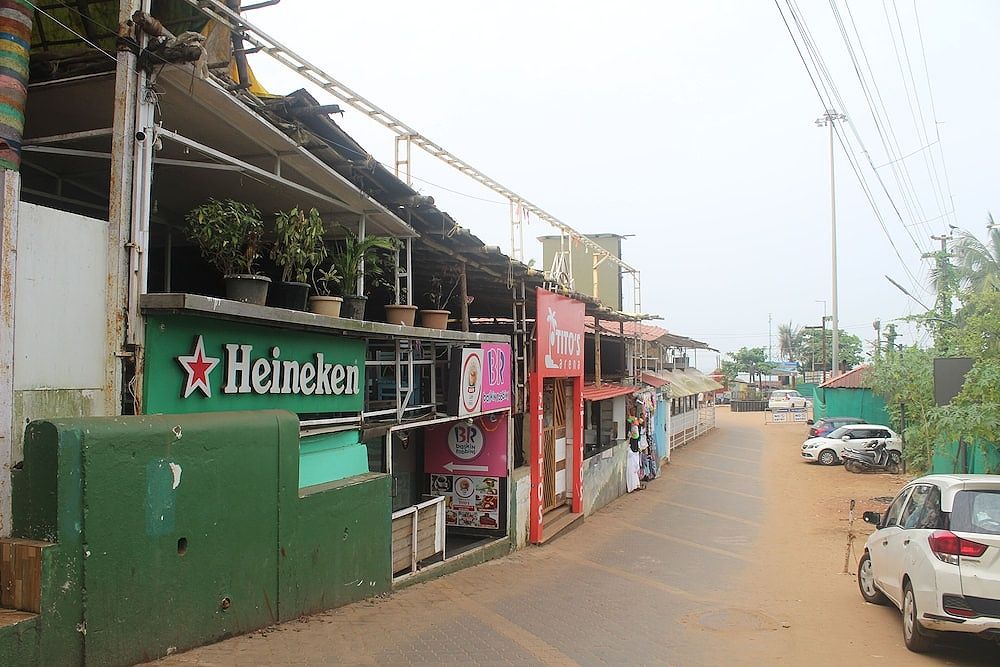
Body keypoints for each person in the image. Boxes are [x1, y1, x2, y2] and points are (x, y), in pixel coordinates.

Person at [626, 416, 644, 491]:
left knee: (634, 470)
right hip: (633, 452)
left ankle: (635, 485)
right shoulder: (635, 430)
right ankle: (635, 485)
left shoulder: (635, 430)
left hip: (634, 452)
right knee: (634, 470)